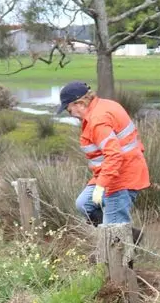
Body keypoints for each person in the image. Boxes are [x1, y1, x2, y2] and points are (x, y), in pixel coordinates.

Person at [58, 81, 149, 230]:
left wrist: (101, 186)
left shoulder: (97, 120)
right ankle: (124, 233)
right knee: (84, 205)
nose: (72, 115)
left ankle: (119, 238)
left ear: (79, 103)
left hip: (120, 179)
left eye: (69, 110)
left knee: (113, 231)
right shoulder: (105, 105)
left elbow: (114, 155)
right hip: (111, 173)